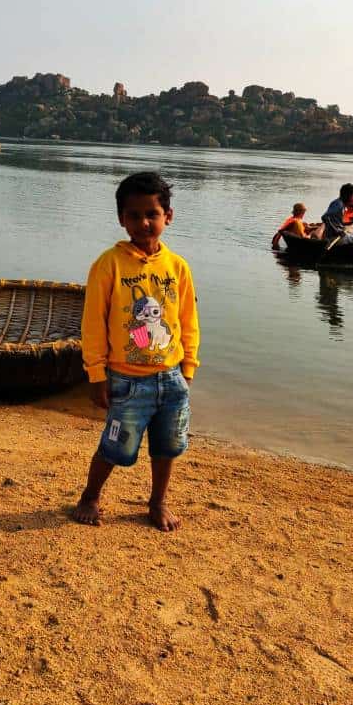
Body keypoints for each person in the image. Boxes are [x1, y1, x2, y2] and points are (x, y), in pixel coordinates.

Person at [73, 171, 200, 532]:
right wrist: (96, 374)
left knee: (167, 447)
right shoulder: (108, 265)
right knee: (115, 447)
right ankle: (90, 496)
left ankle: (158, 501)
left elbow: (188, 320)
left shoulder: (177, 268)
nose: (143, 222)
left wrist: (188, 367)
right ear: (121, 219)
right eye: (134, 215)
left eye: (152, 214)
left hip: (172, 378)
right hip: (126, 381)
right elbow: (93, 323)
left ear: (168, 217)